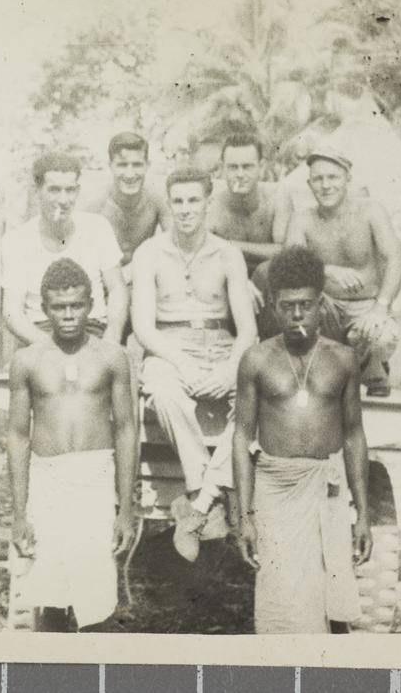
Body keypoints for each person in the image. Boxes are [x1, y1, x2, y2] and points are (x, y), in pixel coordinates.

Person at [233, 245, 373, 634]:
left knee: (332, 603)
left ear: (321, 302)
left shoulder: (342, 359)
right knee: (282, 602)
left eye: (306, 305)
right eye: (288, 306)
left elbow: (354, 435)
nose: (297, 315)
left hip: (326, 490)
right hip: (276, 489)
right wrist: (245, 515)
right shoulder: (256, 360)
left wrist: (362, 514)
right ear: (274, 306)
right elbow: (242, 437)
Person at [130, 167, 258, 562]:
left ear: (207, 203)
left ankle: (198, 506)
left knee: (255, 402)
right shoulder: (149, 253)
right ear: (169, 205)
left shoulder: (227, 254)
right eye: (178, 201)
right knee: (165, 394)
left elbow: (248, 330)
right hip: (169, 345)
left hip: (220, 344)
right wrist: (181, 361)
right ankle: (205, 491)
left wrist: (227, 370)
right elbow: (143, 327)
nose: (185, 210)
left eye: (193, 201)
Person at [6, 258, 138, 632]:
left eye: (76, 305)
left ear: (91, 305)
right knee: (50, 595)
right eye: (59, 307)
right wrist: (19, 515)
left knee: (95, 597)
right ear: (45, 309)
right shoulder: (27, 361)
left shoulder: (112, 357)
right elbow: (17, 436)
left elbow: (126, 429)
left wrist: (125, 509)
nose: (68, 315)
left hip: (95, 479)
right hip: (47, 480)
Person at [285, 141, 401, 397]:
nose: (326, 185)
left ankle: (372, 368)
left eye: (333, 177)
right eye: (318, 179)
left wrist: (381, 308)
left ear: (347, 178)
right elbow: (290, 264)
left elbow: (395, 258)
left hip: (366, 306)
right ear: (309, 184)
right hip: (325, 307)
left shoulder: (371, 210)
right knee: (297, 310)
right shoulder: (302, 219)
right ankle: (334, 368)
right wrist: (326, 270)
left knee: (381, 338)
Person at [0, 152, 128, 377]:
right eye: (54, 190)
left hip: (92, 328)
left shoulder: (97, 228)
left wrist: (112, 337)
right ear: (37, 190)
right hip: (41, 332)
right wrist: (48, 346)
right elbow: (12, 313)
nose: (63, 199)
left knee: (121, 370)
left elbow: (117, 287)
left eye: (70, 190)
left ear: (78, 191)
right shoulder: (17, 241)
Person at [79, 132, 170, 278]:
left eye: (137, 165)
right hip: (104, 279)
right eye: (122, 165)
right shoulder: (94, 205)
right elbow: (80, 256)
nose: (130, 174)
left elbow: (174, 245)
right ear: (110, 166)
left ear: (148, 165)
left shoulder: (157, 200)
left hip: (143, 275)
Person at [208, 132, 294, 278]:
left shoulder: (276, 197)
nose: (240, 174)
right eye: (233, 167)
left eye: (247, 167)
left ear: (261, 167)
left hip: (270, 279)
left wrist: (229, 245)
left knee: (267, 271)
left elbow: (286, 251)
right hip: (227, 277)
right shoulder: (213, 205)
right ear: (222, 169)